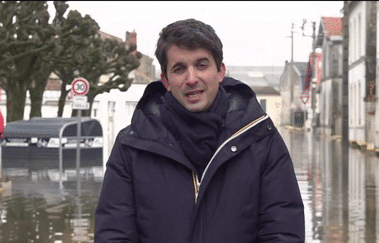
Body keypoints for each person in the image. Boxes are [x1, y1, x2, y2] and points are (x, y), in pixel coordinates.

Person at [95, 19, 304, 242]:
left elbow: (283, 233)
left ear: (221, 71)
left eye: (201, 65)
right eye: (179, 69)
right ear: (165, 80)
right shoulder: (131, 146)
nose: (191, 79)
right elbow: (114, 235)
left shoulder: (262, 140)